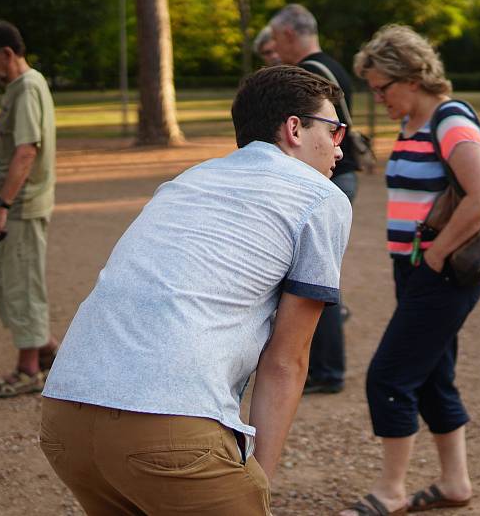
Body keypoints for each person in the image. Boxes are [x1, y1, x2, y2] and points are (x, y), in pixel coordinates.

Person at [39, 65, 352, 515]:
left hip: (64, 416)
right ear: (295, 128)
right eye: (336, 130)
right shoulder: (319, 197)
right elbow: (286, 360)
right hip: (168, 428)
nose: (340, 149)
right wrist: (258, 478)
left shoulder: (189, 179)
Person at [342, 25, 480, 515]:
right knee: (432, 374)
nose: (378, 98)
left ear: (408, 76)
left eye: (381, 88)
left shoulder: (450, 121)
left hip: (441, 273)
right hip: (414, 270)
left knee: (388, 376)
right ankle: (456, 484)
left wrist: (435, 254)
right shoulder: (414, 122)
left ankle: (391, 490)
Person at [271, 3, 358, 394]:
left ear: (289, 34)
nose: (274, 48)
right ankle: (325, 367)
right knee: (317, 275)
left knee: (312, 279)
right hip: (341, 174)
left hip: (327, 176)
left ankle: (326, 370)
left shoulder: (309, 73)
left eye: (275, 39)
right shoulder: (334, 66)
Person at [0, 20, 59, 398]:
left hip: (21, 206)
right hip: (16, 205)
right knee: (2, 280)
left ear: (8, 53)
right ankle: (47, 349)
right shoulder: (22, 86)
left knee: (21, 283)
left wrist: (2, 206)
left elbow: (26, 151)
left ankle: (28, 370)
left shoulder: (26, 88)